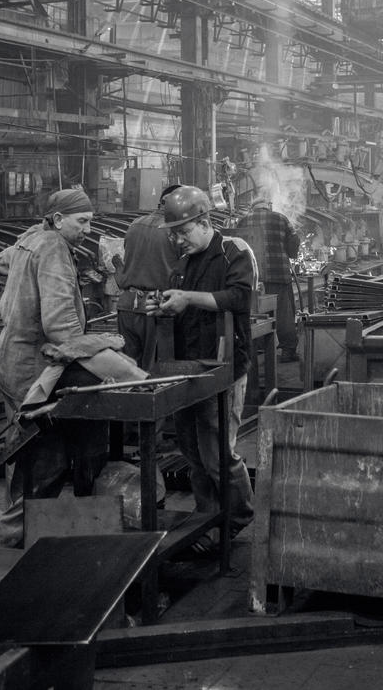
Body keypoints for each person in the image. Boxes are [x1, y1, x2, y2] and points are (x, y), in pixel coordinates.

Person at [0, 188, 144, 547]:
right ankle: (2, 550)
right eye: (82, 221)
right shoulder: (54, 247)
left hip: (11, 358)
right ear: (58, 220)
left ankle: (16, 544)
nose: (88, 229)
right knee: (45, 464)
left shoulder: (32, 237)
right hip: (33, 368)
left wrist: (24, 297)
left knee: (26, 452)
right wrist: (106, 348)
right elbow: (62, 329)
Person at [148, 185, 255, 555]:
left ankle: (238, 517)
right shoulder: (184, 265)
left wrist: (187, 299)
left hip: (224, 368)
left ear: (205, 222)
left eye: (183, 232)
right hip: (189, 369)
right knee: (193, 453)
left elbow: (239, 298)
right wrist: (163, 306)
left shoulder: (234, 252)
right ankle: (207, 518)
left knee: (217, 454)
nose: (178, 240)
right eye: (174, 234)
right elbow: (182, 308)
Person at [116, 182, 183, 370]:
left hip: (127, 306)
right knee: (155, 371)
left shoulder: (134, 225)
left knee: (128, 371)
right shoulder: (176, 230)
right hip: (157, 307)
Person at [235, 193, 301, 361]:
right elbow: (294, 242)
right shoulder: (281, 218)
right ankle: (287, 351)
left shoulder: (242, 221)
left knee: (255, 313)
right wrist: (290, 252)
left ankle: (257, 347)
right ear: (268, 206)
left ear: (253, 207)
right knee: (284, 313)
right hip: (279, 274)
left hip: (253, 278)